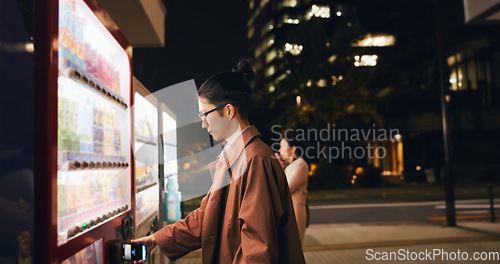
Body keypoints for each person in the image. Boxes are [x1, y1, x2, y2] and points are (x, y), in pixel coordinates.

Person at [132, 60, 305, 263]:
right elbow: (207, 217)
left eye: (205, 114)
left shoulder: (255, 160)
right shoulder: (236, 155)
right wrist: (157, 238)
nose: (203, 124)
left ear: (229, 110)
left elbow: (258, 248)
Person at [276, 135, 309, 245]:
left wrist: (277, 168)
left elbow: (286, 188)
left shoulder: (300, 165)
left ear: (293, 149)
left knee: (294, 248)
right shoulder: (291, 165)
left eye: (283, 146)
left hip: (296, 213)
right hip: (289, 212)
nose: (280, 150)